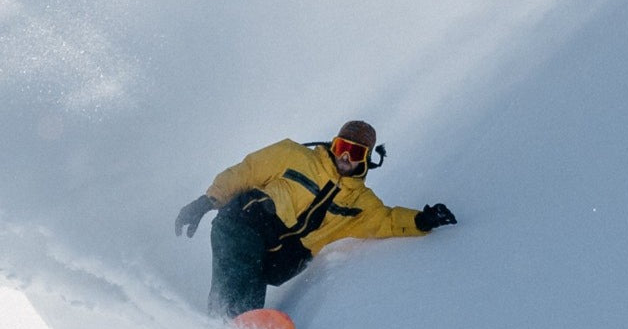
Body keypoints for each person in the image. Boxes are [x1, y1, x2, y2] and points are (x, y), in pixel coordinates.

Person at [175, 120, 457, 318]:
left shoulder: (360, 203)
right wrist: (207, 201)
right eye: (340, 146)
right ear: (332, 144)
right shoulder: (292, 155)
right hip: (245, 223)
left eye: (355, 152)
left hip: (280, 257)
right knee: (240, 264)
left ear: (367, 158)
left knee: (258, 275)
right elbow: (245, 172)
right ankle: (231, 322)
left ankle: (234, 323)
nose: (345, 156)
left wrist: (423, 220)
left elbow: (388, 220)